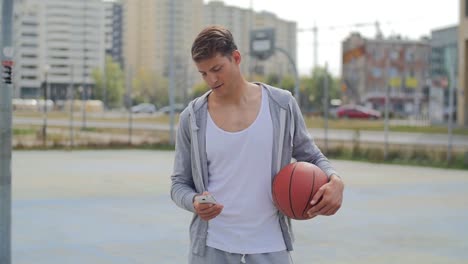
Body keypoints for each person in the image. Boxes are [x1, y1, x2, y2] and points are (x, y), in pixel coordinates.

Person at [170, 25, 344, 264]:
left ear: (237, 58)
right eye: (203, 73)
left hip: (270, 246)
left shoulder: (281, 105)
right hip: (213, 248)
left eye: (217, 69)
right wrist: (193, 201)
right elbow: (179, 183)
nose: (211, 79)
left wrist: (335, 180)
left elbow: (311, 156)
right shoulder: (192, 118)